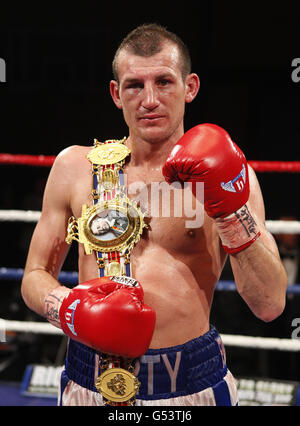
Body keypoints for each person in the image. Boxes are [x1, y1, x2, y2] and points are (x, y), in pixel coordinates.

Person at [21, 23, 287, 406]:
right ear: (116, 94)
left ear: (190, 87)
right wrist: (71, 310)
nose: (149, 100)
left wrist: (230, 210)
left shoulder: (232, 174)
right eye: (134, 85)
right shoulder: (74, 168)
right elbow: (33, 276)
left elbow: (269, 304)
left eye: (164, 82)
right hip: (90, 382)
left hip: (192, 387)